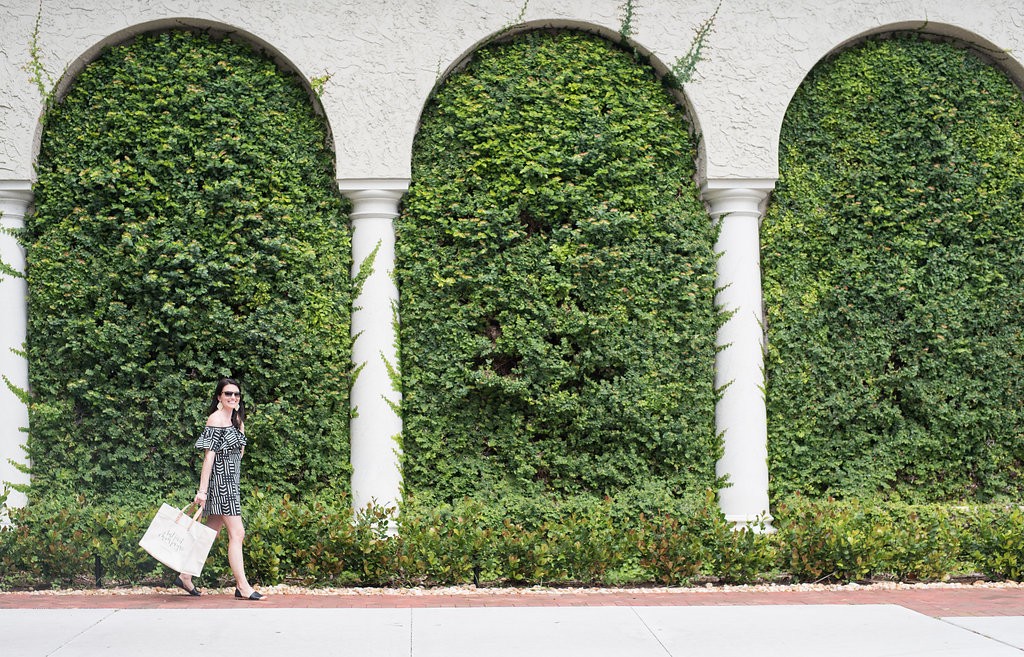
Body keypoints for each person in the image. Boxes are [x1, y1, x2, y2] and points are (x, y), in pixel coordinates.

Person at [173, 377, 265, 600]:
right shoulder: (215, 420)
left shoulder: (237, 421)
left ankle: (185, 575)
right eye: (228, 394)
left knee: (210, 533)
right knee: (238, 532)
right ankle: (242, 586)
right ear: (219, 397)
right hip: (220, 484)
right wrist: (202, 491)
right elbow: (209, 458)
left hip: (232, 483)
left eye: (236, 394)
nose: (233, 397)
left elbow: (239, 455)